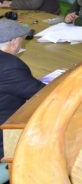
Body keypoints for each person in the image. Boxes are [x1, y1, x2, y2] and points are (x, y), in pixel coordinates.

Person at [0, 19, 45, 157]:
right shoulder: (10, 65)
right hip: (5, 139)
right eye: (22, 40)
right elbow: (42, 95)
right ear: (14, 42)